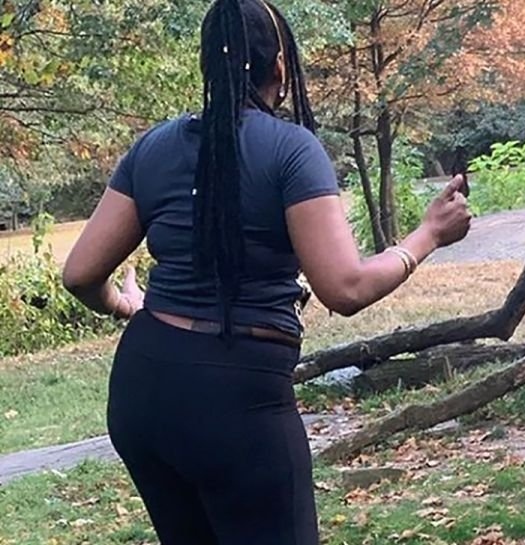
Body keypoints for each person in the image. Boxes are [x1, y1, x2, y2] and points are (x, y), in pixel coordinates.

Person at [60, 1, 471, 543]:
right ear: (280, 67)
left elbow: (80, 274)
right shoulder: (291, 150)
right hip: (237, 402)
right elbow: (344, 288)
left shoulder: (153, 148)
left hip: (144, 390)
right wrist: (429, 236)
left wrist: (122, 305)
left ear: (207, 63)